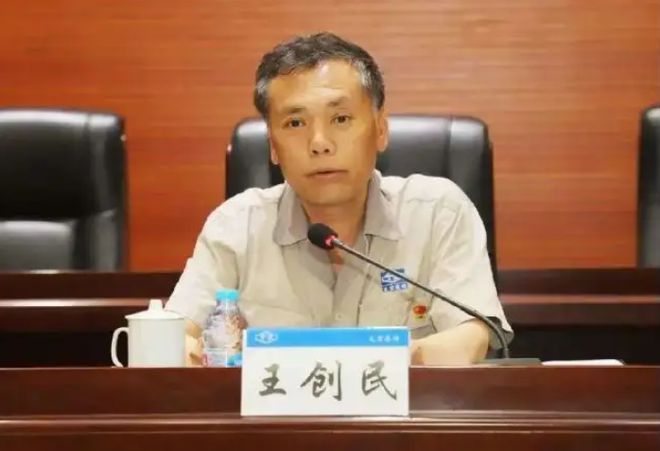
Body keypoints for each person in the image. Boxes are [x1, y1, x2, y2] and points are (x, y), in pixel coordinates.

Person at [166, 32, 513, 366]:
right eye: (295, 123)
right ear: (273, 146)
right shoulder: (235, 227)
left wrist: (368, 363)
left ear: (380, 130)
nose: (319, 143)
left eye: (341, 118)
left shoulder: (438, 212)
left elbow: (470, 339)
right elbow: (175, 337)